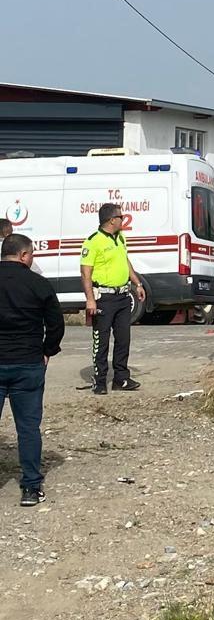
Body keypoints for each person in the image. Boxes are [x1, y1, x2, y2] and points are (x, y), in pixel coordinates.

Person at [0, 232, 65, 505]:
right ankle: (30, 487)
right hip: (28, 362)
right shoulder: (38, 284)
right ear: (24, 255)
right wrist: (48, 350)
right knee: (28, 428)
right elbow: (56, 324)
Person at [80, 204, 145, 394]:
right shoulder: (93, 242)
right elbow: (85, 273)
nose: (123, 220)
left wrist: (137, 283)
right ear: (111, 220)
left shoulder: (120, 238)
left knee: (123, 339)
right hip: (104, 298)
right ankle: (100, 380)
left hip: (123, 297)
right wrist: (90, 299)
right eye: (121, 217)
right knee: (102, 340)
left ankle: (121, 378)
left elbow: (125, 261)